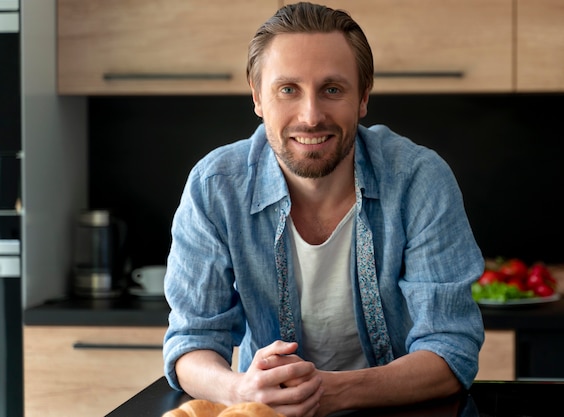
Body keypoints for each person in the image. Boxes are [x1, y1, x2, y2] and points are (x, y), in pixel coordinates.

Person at [162, 2, 485, 417]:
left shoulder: (419, 180)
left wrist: (330, 393)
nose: (311, 116)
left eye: (332, 89)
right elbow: (191, 342)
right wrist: (241, 388)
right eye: (288, 89)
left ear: (363, 97)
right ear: (258, 96)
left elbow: (451, 350)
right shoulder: (215, 187)